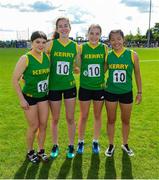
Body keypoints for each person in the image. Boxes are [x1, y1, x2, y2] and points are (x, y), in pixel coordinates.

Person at [12, 31, 50, 163]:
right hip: (30, 97)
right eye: (37, 42)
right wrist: (21, 99)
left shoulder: (47, 57)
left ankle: (41, 150)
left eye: (43, 42)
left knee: (43, 125)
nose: (41, 45)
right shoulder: (26, 58)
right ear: (32, 43)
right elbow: (14, 80)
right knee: (34, 126)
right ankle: (30, 151)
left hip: (43, 96)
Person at [104, 29, 142, 157]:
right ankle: (110, 144)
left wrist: (140, 92)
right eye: (113, 39)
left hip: (126, 92)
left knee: (126, 120)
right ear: (110, 41)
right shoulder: (108, 55)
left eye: (118, 39)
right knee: (111, 119)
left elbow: (137, 74)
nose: (116, 42)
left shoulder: (132, 55)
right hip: (110, 92)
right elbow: (102, 71)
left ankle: (125, 144)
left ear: (123, 39)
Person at [46, 17, 78, 159]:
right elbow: (35, 53)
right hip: (54, 87)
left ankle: (71, 145)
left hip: (69, 86)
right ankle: (55, 144)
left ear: (70, 28)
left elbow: (78, 64)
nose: (64, 28)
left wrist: (76, 68)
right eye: (61, 26)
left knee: (70, 118)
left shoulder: (76, 46)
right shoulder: (51, 44)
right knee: (55, 118)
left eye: (66, 25)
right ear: (57, 29)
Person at [76, 24, 108, 154]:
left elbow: (106, 66)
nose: (94, 36)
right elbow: (78, 65)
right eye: (92, 33)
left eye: (97, 34)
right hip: (85, 87)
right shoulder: (82, 48)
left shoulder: (104, 48)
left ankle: (95, 141)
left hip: (99, 88)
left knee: (97, 115)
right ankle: (81, 142)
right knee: (83, 116)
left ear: (100, 35)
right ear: (87, 34)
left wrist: (99, 74)